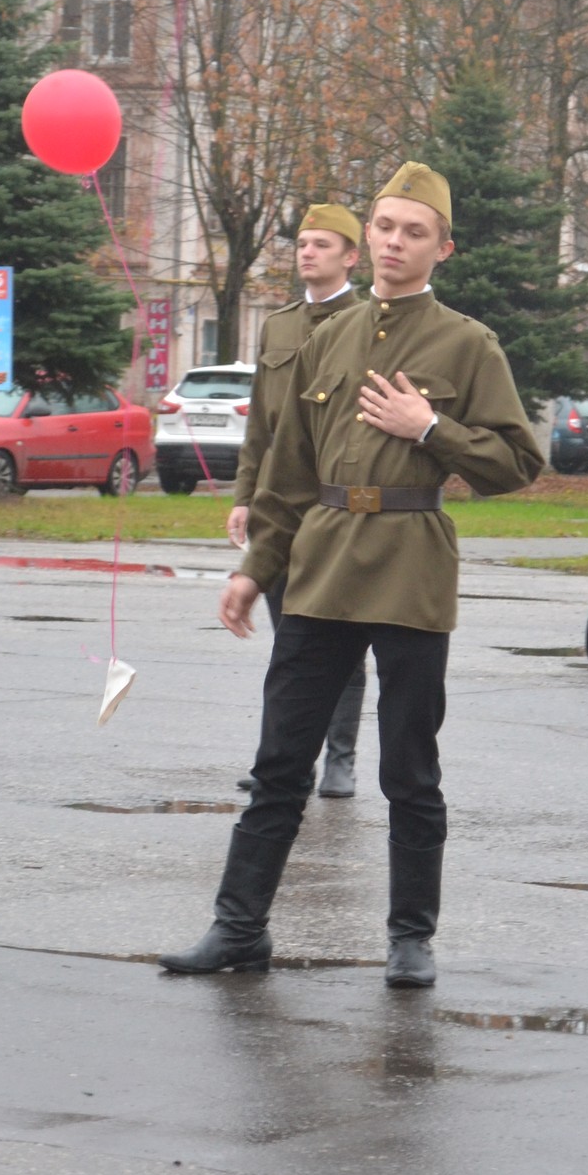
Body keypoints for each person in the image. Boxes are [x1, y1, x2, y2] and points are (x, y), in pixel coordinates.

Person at [161, 162, 543, 987]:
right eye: (385, 227)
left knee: (408, 768)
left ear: (443, 248)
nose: (395, 243)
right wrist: (256, 568)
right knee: (279, 761)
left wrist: (431, 426)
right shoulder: (326, 338)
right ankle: (239, 929)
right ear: (367, 236)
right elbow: (288, 472)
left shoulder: (467, 344)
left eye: (414, 232)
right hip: (322, 563)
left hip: (410, 565)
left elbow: (519, 461)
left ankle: (410, 938)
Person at [228, 203, 370, 799]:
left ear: (350, 257)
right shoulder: (279, 326)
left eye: (321, 244)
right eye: (302, 243)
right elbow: (262, 425)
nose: (307, 253)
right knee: (290, 642)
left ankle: (341, 758)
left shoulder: (368, 324)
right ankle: (286, 761)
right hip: (281, 505)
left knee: (342, 638)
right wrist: (245, 496)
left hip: (339, 505)